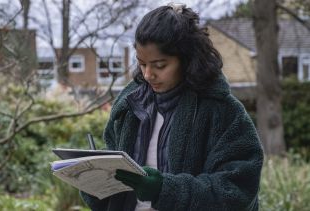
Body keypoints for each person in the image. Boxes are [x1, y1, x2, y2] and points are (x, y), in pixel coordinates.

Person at [81, 3, 264, 211]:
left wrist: (164, 190)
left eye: (160, 65)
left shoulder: (223, 111)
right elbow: (116, 194)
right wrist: (93, 186)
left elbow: (237, 191)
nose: (148, 74)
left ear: (187, 59)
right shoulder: (128, 107)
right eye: (142, 64)